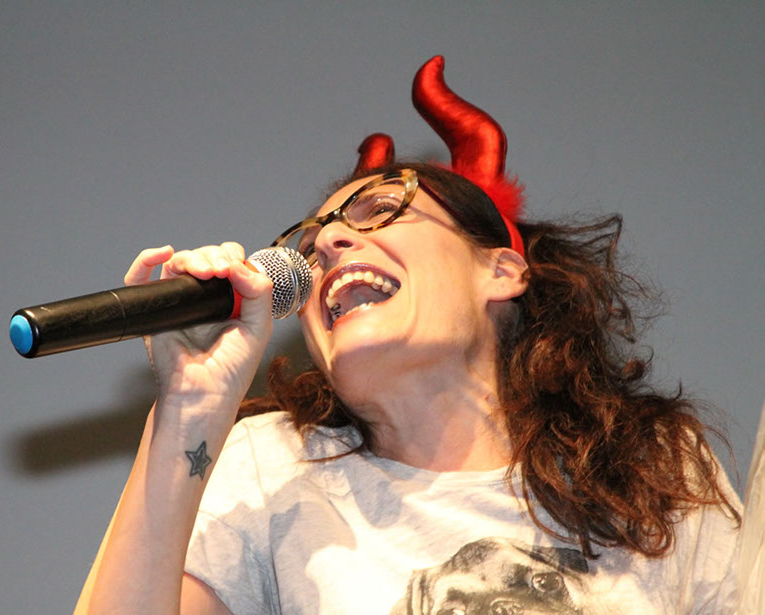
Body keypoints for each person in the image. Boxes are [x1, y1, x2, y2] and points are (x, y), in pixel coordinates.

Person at [74, 57, 742, 614]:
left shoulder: (650, 464)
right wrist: (189, 410)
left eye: (382, 209)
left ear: (501, 270)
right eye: (311, 242)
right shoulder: (270, 469)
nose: (328, 242)